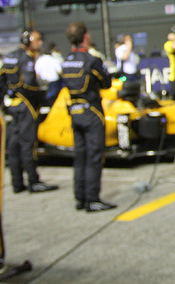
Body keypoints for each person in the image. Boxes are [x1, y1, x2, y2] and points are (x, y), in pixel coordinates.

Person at [0, 29, 59, 194]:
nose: (40, 43)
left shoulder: (10, 56)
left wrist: (6, 98)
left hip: (14, 106)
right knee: (28, 145)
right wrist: (40, 96)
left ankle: (17, 183)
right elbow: (29, 83)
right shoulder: (26, 58)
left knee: (14, 146)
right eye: (37, 40)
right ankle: (34, 181)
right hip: (27, 106)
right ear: (27, 40)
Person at [60, 22, 116, 212]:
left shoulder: (66, 61)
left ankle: (81, 198)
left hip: (74, 112)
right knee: (93, 157)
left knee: (80, 156)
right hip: (92, 113)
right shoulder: (92, 60)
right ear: (86, 36)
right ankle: (93, 199)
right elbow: (106, 83)